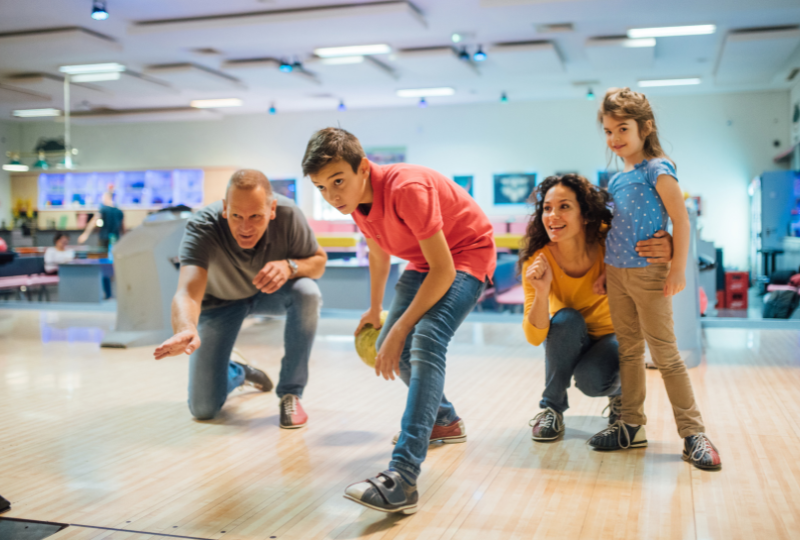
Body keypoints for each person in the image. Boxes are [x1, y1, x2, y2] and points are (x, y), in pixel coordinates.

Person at [303, 128, 495, 515]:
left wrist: (402, 327)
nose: (333, 196)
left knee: (424, 339)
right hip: (425, 262)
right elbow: (378, 253)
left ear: (363, 168)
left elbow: (443, 270)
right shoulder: (356, 202)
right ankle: (444, 420)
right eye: (322, 188)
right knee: (386, 345)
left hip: (465, 257)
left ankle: (403, 476)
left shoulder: (406, 188)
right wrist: (376, 310)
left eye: (338, 181)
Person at [587, 88, 721, 470]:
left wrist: (678, 267)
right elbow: (613, 230)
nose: (614, 139)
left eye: (622, 129)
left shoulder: (658, 169)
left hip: (648, 274)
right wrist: (603, 273)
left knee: (665, 354)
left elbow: (681, 220)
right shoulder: (617, 179)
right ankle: (631, 425)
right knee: (629, 351)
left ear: (644, 127)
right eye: (609, 131)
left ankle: (693, 433)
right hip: (617, 274)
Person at [153, 170, 327, 428]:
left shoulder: (289, 215)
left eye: (256, 216)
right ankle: (239, 371)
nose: (245, 227)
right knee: (203, 409)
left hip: (270, 294)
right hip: (222, 301)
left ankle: (291, 393)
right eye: (237, 216)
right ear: (225, 208)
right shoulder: (203, 226)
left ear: (272, 209)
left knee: (307, 292)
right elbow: (187, 291)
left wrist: (290, 266)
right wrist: (186, 328)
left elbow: (319, 263)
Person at [522, 174, 674, 442]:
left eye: (564, 206)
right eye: (547, 208)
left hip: (616, 335)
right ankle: (551, 410)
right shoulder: (538, 260)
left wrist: (669, 243)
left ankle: (621, 397)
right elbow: (535, 337)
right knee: (565, 320)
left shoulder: (612, 241)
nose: (552, 215)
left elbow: (654, 251)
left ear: (586, 215)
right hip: (573, 335)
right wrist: (542, 291)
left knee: (591, 381)